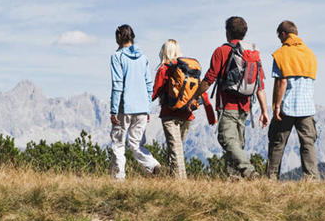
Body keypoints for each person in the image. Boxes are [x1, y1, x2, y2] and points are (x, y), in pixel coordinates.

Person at [195, 16, 268, 179]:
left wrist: (195, 96)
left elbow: (209, 78)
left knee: (226, 139)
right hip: (245, 106)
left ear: (227, 32)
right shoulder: (252, 54)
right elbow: (260, 85)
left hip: (228, 105)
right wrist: (264, 111)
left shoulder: (221, 51)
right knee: (237, 144)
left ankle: (249, 171)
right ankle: (233, 179)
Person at [152, 40, 216, 179]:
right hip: (187, 115)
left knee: (176, 149)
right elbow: (200, 91)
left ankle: (181, 182)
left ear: (164, 52)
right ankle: (172, 179)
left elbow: (155, 91)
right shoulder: (188, 70)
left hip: (169, 114)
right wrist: (210, 114)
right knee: (176, 148)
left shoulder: (165, 68)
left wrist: (143, 106)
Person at [267, 20, 320, 180]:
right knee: (308, 144)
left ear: (283, 34)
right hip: (307, 107)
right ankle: (311, 178)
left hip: (287, 106)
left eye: (279, 36)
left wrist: (276, 106)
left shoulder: (281, 54)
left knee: (277, 143)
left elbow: (281, 82)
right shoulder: (310, 55)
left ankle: (271, 178)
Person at [109, 24, 161, 180]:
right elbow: (148, 85)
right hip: (142, 108)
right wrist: (147, 107)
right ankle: (152, 165)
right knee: (137, 144)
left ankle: (118, 178)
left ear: (119, 37)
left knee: (118, 144)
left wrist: (113, 110)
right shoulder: (143, 58)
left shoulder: (117, 57)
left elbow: (117, 84)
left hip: (124, 107)